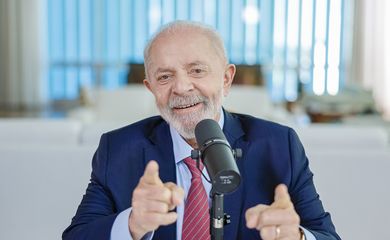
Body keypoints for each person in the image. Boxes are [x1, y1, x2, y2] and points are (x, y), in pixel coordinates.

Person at [63, 20, 340, 240]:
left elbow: (327, 236)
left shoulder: (280, 146)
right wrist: (133, 223)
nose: (182, 88)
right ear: (150, 88)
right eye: (165, 76)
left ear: (226, 79)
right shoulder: (118, 149)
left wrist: (298, 238)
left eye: (196, 71)